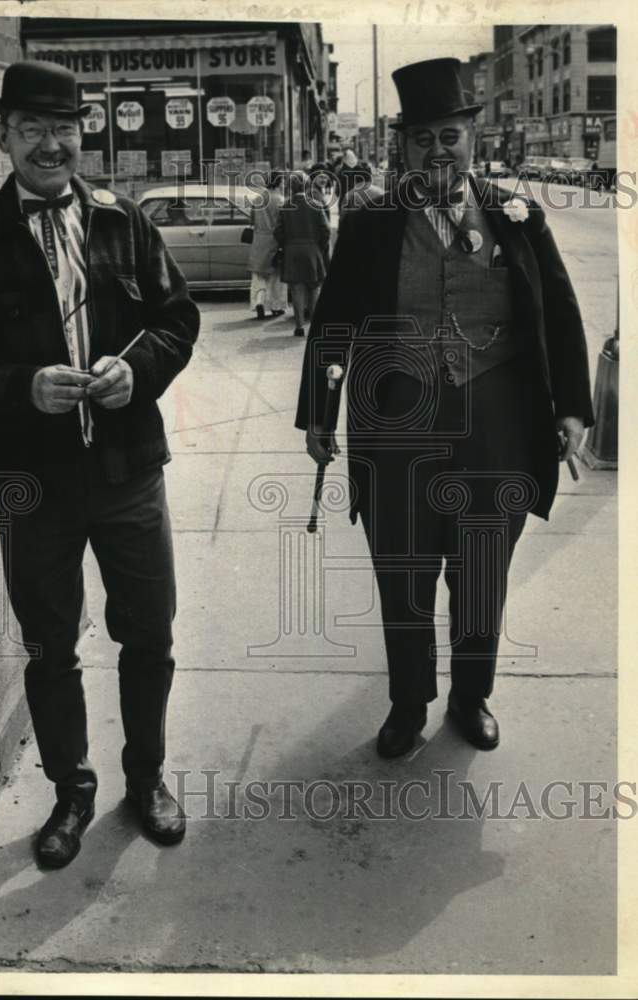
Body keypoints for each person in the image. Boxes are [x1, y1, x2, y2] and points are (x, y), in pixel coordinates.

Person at [0, 61, 200, 867]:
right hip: (31, 482)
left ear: (84, 135)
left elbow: (176, 319)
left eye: (66, 127)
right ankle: (71, 795)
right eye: (34, 128)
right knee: (49, 645)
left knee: (150, 633)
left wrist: (135, 372)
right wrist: (18, 387)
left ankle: (145, 779)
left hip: (128, 472)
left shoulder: (123, 224)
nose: (52, 143)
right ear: (3, 136)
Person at [296, 58, 593, 757]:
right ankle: (408, 704)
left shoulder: (515, 216)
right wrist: (318, 413)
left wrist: (573, 407)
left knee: (481, 570)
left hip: (498, 424)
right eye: (423, 137)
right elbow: (334, 319)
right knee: (403, 572)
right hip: (397, 425)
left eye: (450, 135)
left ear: (471, 136)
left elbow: (558, 312)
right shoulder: (372, 224)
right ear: (404, 147)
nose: (438, 149)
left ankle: (471, 696)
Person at [275, 170, 331, 337]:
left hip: (292, 250)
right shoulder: (316, 205)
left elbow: (278, 231)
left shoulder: (285, 206)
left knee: (296, 289)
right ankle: (314, 327)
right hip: (312, 250)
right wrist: (319, 247)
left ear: (291, 187)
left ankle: (299, 326)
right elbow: (326, 230)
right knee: (314, 288)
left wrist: (285, 244)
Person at [247, 170, 287, 320]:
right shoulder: (280, 200)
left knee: (258, 276)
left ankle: (259, 302)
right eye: (283, 181)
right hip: (274, 241)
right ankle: (276, 306)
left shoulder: (257, 199)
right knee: (276, 276)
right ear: (278, 182)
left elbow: (251, 220)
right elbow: (283, 222)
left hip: (259, 240)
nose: (284, 184)